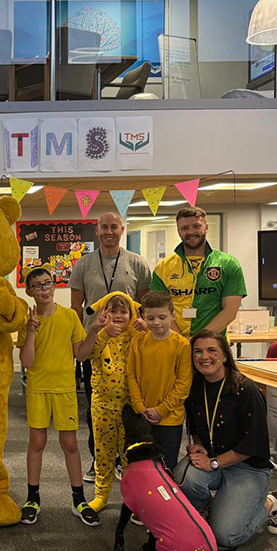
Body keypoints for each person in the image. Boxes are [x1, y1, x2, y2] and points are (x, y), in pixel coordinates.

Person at [175, 330, 277, 551]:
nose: (204, 356)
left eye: (211, 350)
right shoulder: (195, 386)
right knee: (182, 479)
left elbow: (252, 445)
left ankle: (270, 504)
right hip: (212, 458)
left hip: (246, 467)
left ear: (225, 356)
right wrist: (198, 444)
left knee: (227, 535)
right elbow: (196, 425)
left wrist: (213, 463)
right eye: (197, 352)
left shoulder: (246, 391)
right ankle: (209, 510)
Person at [69, 211, 151, 483]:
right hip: (96, 344)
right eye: (104, 227)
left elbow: (145, 307)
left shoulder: (137, 263)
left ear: (121, 229)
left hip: (129, 346)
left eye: (114, 227)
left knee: (130, 402)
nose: (109, 231)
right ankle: (98, 458)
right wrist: (81, 339)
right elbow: (75, 308)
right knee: (98, 403)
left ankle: (125, 459)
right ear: (97, 229)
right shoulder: (83, 264)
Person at [16, 267, 99, 527]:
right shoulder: (27, 322)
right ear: (29, 291)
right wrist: (30, 332)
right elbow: (27, 362)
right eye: (38, 285)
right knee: (37, 442)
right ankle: (32, 498)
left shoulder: (69, 317)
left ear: (54, 286)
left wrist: (95, 330)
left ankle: (78, 499)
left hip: (64, 390)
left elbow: (81, 355)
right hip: (39, 389)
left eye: (48, 283)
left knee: (70, 444)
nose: (45, 289)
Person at [75, 292, 145, 513]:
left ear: (131, 314)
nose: (118, 316)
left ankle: (132, 499)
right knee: (103, 453)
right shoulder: (98, 335)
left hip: (130, 408)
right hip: (102, 406)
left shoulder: (136, 337)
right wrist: (99, 331)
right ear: (104, 313)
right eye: (112, 310)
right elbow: (84, 356)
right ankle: (101, 494)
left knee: (129, 456)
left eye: (123, 312)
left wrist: (144, 328)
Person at [151, 207, 246, 337]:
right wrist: (181, 341)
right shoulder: (163, 267)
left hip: (214, 342)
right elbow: (159, 310)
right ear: (178, 231)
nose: (191, 232)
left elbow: (230, 311)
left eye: (196, 226)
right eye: (184, 228)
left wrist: (200, 340)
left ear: (206, 228)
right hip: (173, 343)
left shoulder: (228, 264)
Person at [125, 290, 193, 470]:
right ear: (143, 317)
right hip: (142, 416)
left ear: (172, 315)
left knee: (166, 466)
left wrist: (161, 410)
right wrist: (140, 407)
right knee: (140, 465)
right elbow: (131, 375)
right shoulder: (137, 341)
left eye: (162, 317)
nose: (156, 323)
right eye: (151, 318)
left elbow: (183, 384)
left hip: (169, 419)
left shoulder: (182, 345)